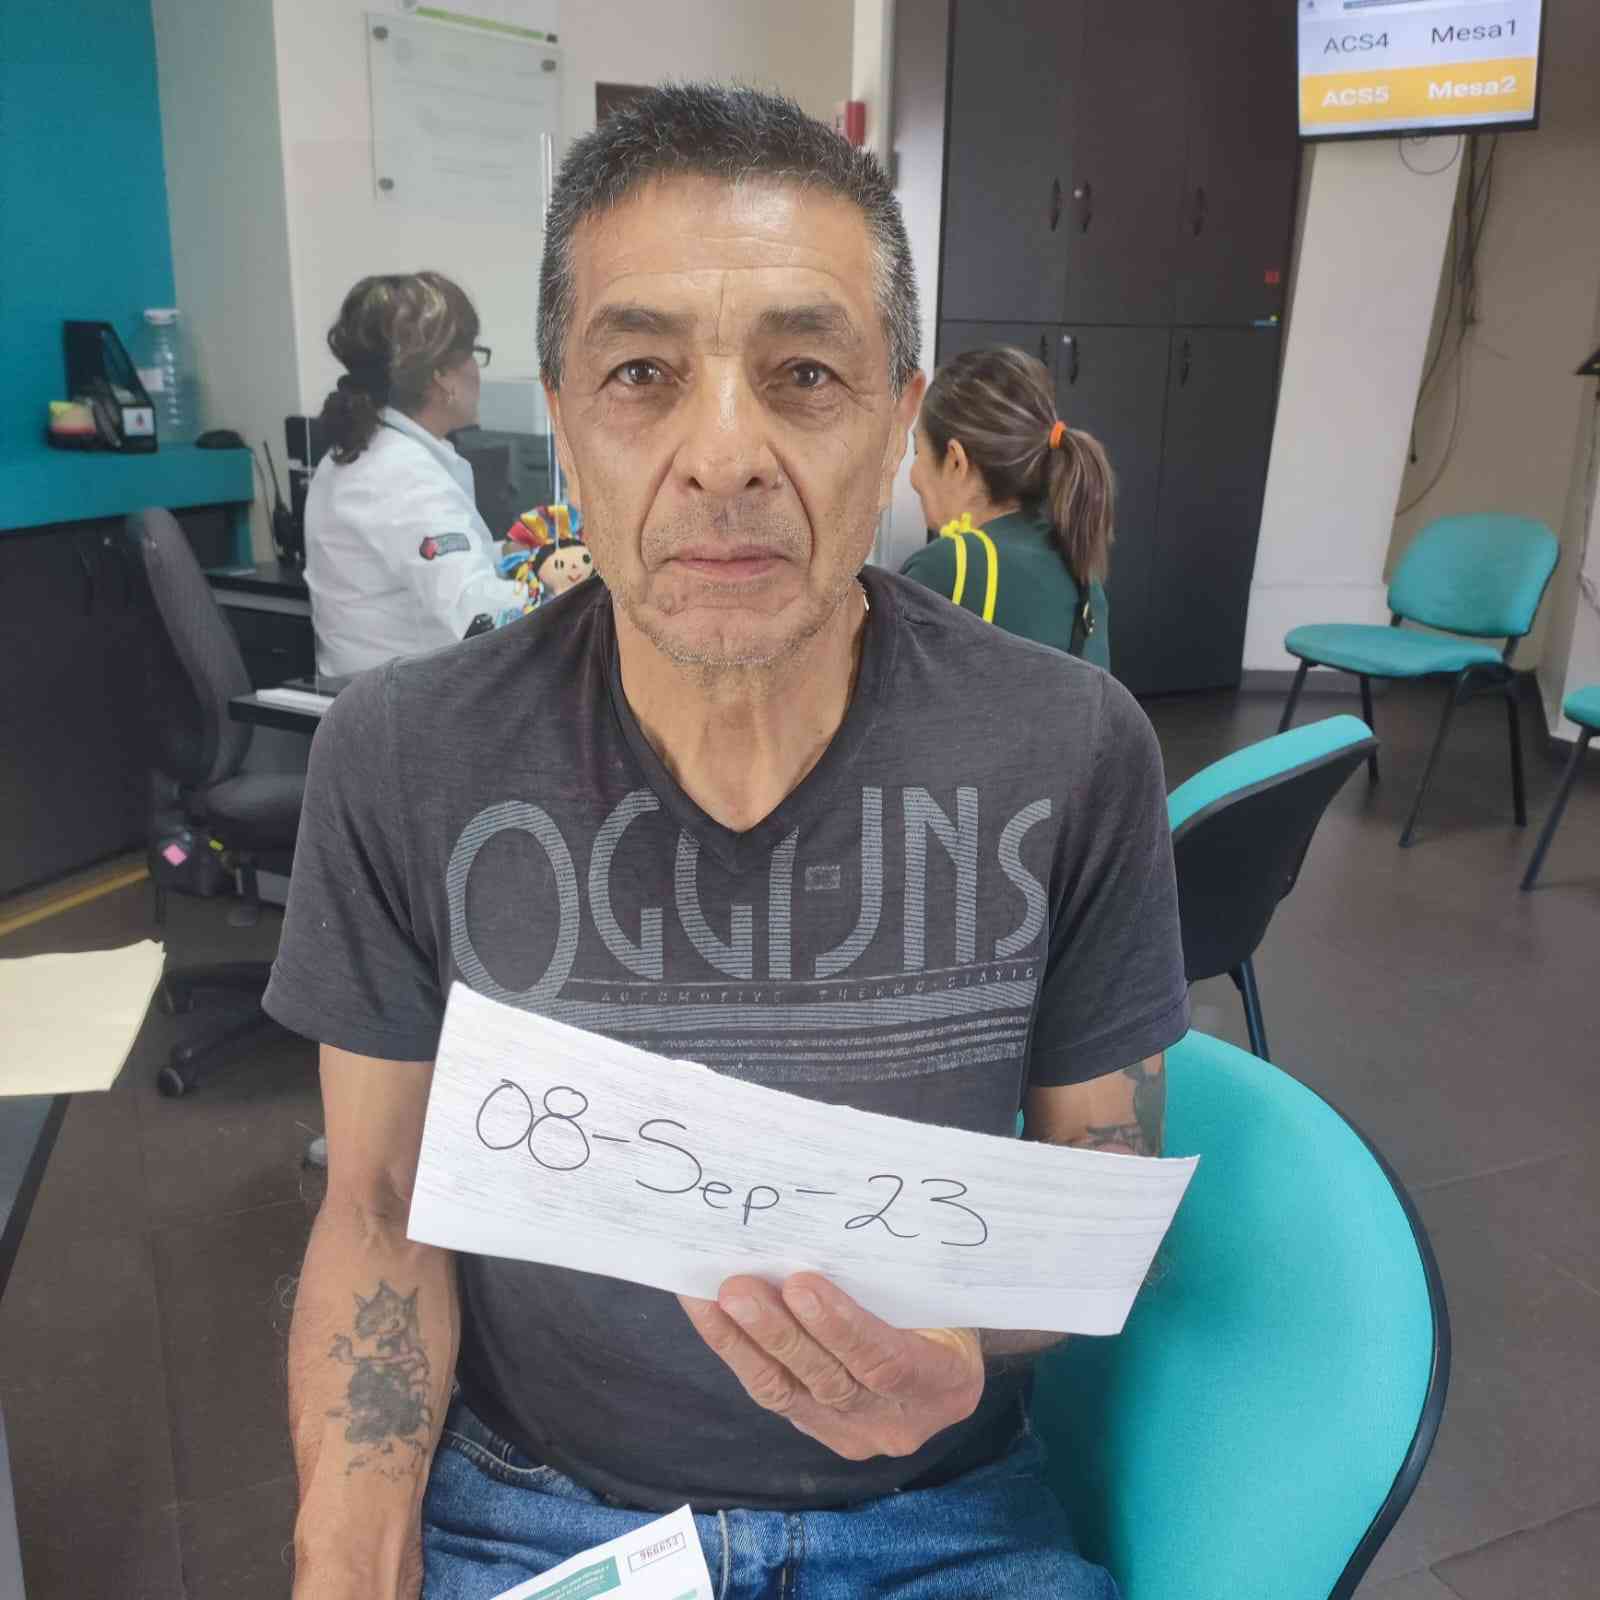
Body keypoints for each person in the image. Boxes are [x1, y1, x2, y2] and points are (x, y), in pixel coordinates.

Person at [266, 84, 1187, 1600]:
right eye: (640, 373)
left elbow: (1101, 1177)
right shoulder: (406, 757)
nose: (725, 454)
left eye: (805, 374)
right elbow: (374, 1207)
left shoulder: (1073, 750)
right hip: (541, 1511)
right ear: (565, 426)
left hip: (939, 1515)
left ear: (896, 427)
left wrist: (962, 1343)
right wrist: (345, 1557)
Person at [304, 271, 531, 677]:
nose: (477, 371)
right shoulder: (401, 474)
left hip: (379, 691)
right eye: (472, 354)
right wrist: (572, 587)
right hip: (406, 702)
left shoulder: (367, 452)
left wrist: (516, 554)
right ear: (441, 375)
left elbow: (433, 562)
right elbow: (481, 615)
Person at [902, 347, 1115, 669]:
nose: (913, 475)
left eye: (918, 451)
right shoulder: (1079, 565)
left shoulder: (949, 568)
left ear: (956, 461)